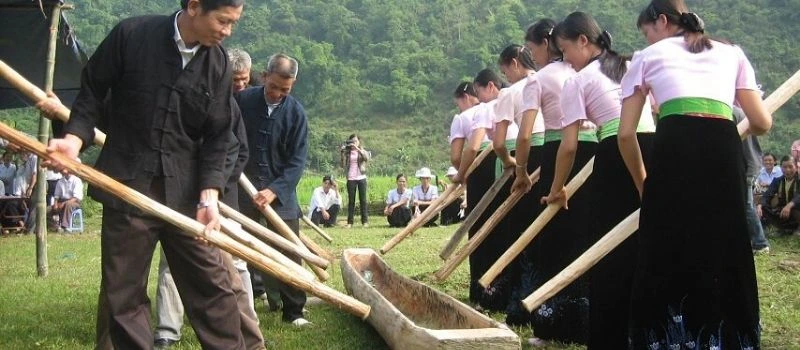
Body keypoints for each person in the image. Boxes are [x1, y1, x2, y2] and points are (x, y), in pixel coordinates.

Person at [42, 0, 249, 348]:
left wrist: (210, 195)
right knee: (123, 296)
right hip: (127, 184)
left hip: (184, 197)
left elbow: (218, 136)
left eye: (233, 24)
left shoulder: (219, 65)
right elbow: (92, 90)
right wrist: (74, 140)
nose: (227, 31)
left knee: (213, 288)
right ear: (195, 6)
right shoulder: (132, 34)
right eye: (223, 21)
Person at [619, 0, 771, 347]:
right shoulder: (732, 53)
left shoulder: (646, 58)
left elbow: (626, 134)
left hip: (674, 145)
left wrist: (644, 183)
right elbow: (762, 122)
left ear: (661, 22)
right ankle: (731, 337)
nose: (647, 39)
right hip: (723, 144)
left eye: (647, 32)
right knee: (726, 240)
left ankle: (666, 338)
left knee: (666, 242)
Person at [544, 12, 656, 348]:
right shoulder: (630, 64)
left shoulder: (577, 82)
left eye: (565, 51)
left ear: (583, 41)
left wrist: (556, 189)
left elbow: (568, 147)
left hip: (617, 154)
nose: (566, 60)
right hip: (652, 148)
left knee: (610, 248)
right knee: (649, 240)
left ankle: (611, 335)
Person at [151, 46, 263, 349]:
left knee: (232, 272)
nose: (239, 85)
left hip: (216, 202)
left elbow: (237, 152)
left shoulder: (229, 107)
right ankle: (167, 331)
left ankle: (251, 343)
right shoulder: (183, 96)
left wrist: (212, 188)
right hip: (177, 199)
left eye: (243, 80)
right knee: (170, 267)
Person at [237, 53, 311, 327]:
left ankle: (294, 311)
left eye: (285, 90)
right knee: (238, 246)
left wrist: (274, 190)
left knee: (289, 249)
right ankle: (242, 302)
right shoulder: (242, 101)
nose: (278, 94)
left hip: (281, 194)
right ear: (264, 76)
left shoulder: (296, 113)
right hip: (242, 188)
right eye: (274, 87)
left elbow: (297, 161)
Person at [452, 68, 520, 311]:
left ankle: (487, 288)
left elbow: (470, 149)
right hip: (517, 157)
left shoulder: (484, 108)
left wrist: (461, 174)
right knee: (507, 227)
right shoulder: (516, 95)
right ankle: (503, 289)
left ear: (490, 86)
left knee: (487, 228)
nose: (477, 97)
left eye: (479, 91)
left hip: (497, 163)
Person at [735, 107, 771, 254]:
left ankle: (760, 243)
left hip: (746, 165)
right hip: (751, 162)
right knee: (743, 204)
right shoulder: (742, 112)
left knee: (747, 205)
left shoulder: (732, 113)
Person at [758, 155, 800, 236]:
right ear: (781, 168)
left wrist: (790, 205)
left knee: (795, 206)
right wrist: (760, 205)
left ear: (796, 166)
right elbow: (767, 194)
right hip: (784, 212)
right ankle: (783, 228)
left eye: (790, 167)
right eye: (784, 167)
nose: (787, 170)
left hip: (795, 210)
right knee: (762, 207)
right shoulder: (778, 180)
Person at [341, 134, 370, 228]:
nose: (354, 143)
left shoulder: (362, 151)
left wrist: (357, 148)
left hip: (361, 177)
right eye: (352, 141)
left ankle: (365, 222)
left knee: (363, 200)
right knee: (351, 201)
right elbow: (342, 165)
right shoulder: (347, 152)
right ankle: (350, 222)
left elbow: (366, 158)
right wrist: (342, 152)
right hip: (351, 178)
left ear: (359, 142)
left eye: (356, 141)